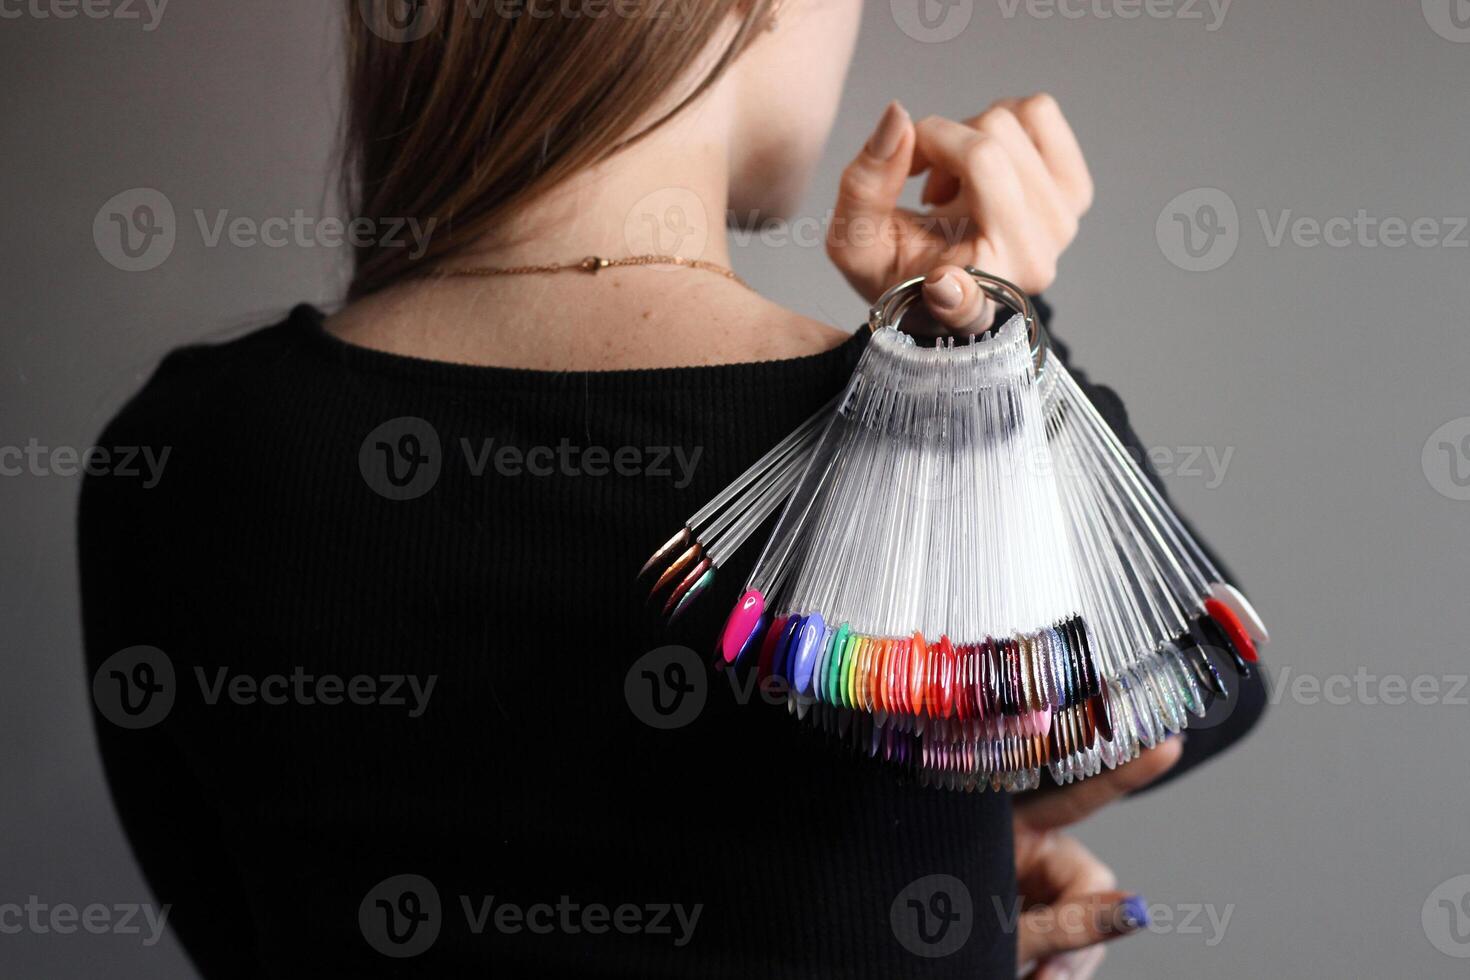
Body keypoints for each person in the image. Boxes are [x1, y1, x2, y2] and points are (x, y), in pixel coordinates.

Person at [79, 2, 1264, 976]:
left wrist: (915, 875)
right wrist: (989, 333)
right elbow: (1205, 681)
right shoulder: (930, 443)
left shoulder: (180, 450)